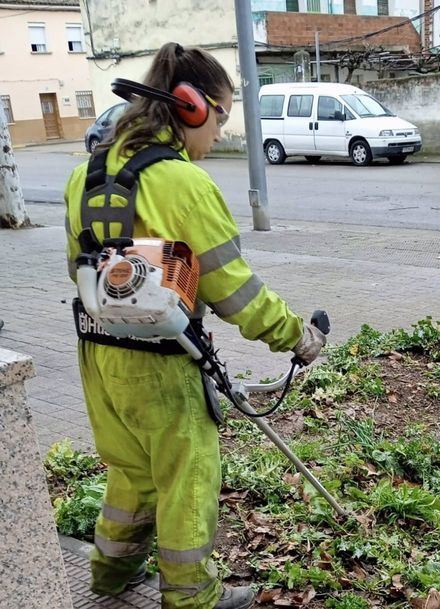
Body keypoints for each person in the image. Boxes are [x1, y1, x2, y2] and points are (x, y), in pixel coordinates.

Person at [64, 42, 325, 609]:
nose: (223, 134)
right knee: (188, 476)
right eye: (223, 116)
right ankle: (192, 598)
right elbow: (235, 293)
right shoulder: (184, 184)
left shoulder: (84, 174)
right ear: (191, 107)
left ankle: (108, 577)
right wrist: (296, 337)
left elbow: (77, 270)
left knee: (132, 470)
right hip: (162, 360)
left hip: (98, 358)